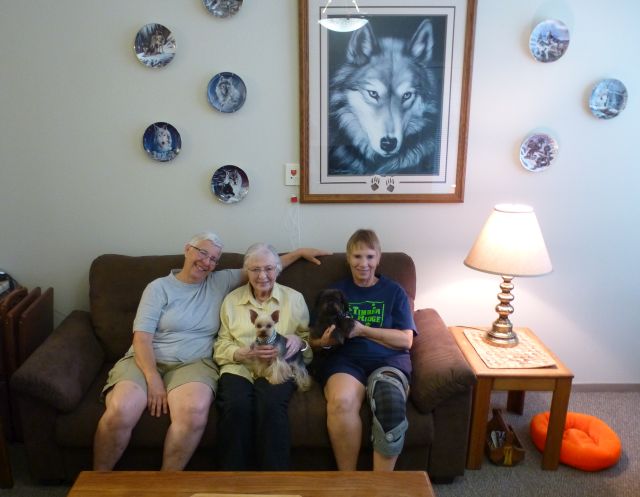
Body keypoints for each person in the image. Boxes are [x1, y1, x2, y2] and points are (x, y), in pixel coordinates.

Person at [93, 232, 327, 471]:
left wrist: (297, 254)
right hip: (196, 362)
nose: (207, 262)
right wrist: (238, 354)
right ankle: (98, 483)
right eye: (202, 253)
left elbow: (266, 271)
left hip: (231, 364)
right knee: (124, 409)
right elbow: (145, 339)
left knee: (248, 406)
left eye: (213, 259)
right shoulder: (169, 289)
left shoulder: (232, 285)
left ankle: (173, 484)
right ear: (187, 249)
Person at [310, 229, 416, 471]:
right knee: (341, 402)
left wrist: (362, 330)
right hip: (345, 361)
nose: (363, 264)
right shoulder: (334, 293)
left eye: (369, 257)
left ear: (378, 258)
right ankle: (349, 483)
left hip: (389, 361)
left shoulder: (394, 291)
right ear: (348, 258)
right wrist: (325, 342)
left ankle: (379, 487)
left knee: (389, 404)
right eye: (357, 257)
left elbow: (405, 341)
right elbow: (313, 338)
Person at [214, 243, 313, 470]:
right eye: (255, 269)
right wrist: (241, 352)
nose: (262, 276)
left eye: (268, 269)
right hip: (240, 367)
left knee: (269, 404)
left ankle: (274, 481)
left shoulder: (294, 299)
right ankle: (231, 482)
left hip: (278, 367)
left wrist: (301, 343)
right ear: (246, 271)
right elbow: (220, 345)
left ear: (278, 270)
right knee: (236, 405)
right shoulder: (231, 301)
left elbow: (310, 346)